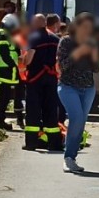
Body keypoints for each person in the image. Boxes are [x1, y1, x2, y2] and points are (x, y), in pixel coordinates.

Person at [57, 13, 99, 172]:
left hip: (88, 87)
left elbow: (96, 68)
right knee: (76, 118)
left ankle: (72, 157)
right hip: (68, 86)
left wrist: (94, 55)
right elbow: (63, 66)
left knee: (81, 122)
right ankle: (67, 158)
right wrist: (80, 51)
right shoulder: (66, 41)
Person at [22, 14, 62, 151]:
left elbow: (29, 58)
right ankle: (54, 143)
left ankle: (32, 143)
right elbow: (59, 60)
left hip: (35, 78)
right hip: (51, 78)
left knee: (33, 110)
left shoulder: (33, 38)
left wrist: (24, 60)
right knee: (51, 110)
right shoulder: (56, 39)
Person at [0, 13, 21, 131]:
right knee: (2, 98)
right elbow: (4, 52)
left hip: (2, 71)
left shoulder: (3, 34)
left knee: (3, 97)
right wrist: (13, 65)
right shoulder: (2, 34)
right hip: (2, 71)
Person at [13, 22, 29, 128]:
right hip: (19, 73)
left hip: (25, 73)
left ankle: (23, 119)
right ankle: (19, 119)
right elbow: (16, 56)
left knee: (23, 97)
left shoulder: (27, 40)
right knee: (19, 97)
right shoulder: (17, 40)